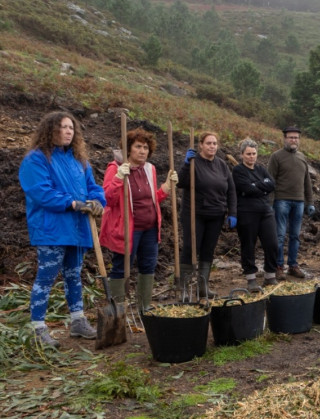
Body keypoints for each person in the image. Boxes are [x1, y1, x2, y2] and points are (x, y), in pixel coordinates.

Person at [19, 111, 106, 347]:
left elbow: (93, 187)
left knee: (73, 275)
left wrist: (98, 201)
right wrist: (73, 203)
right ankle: (38, 327)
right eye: (63, 127)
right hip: (51, 229)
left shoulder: (79, 160)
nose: (68, 131)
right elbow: (41, 192)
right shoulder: (36, 159)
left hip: (77, 229)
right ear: (50, 130)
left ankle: (77, 321)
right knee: (46, 278)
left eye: (71, 128)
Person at [99, 127, 177, 311]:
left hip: (150, 228)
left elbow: (152, 198)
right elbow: (107, 198)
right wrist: (119, 177)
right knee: (121, 267)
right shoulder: (116, 168)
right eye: (138, 147)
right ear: (129, 149)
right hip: (127, 228)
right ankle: (117, 308)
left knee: (148, 266)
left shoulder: (150, 169)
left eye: (145, 148)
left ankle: (145, 306)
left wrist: (166, 187)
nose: (142, 151)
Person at [177, 131, 236, 298]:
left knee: (208, 250)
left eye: (214, 143)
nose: (212, 146)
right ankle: (184, 288)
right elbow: (181, 182)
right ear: (201, 145)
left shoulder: (222, 165)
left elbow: (231, 190)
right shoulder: (194, 162)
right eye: (208, 143)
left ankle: (202, 287)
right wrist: (186, 164)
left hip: (216, 214)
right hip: (195, 214)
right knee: (190, 248)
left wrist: (232, 212)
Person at [231, 138, 279, 293]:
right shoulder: (238, 171)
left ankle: (270, 275)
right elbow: (245, 188)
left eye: (254, 153)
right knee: (248, 245)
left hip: (265, 211)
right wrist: (260, 187)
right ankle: (251, 278)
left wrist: (255, 186)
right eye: (248, 154)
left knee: (272, 243)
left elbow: (271, 185)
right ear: (242, 155)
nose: (251, 156)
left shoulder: (261, 169)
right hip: (246, 213)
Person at [268, 126, 315, 280]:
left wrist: (310, 202)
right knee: (280, 235)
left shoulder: (302, 157)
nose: (294, 140)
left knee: (295, 235)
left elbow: (307, 181)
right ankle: (279, 266)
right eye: (291, 137)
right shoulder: (276, 157)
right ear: (285, 139)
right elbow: (270, 181)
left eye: (296, 137)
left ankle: (293, 265)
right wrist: (270, 202)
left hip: (299, 201)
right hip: (281, 200)